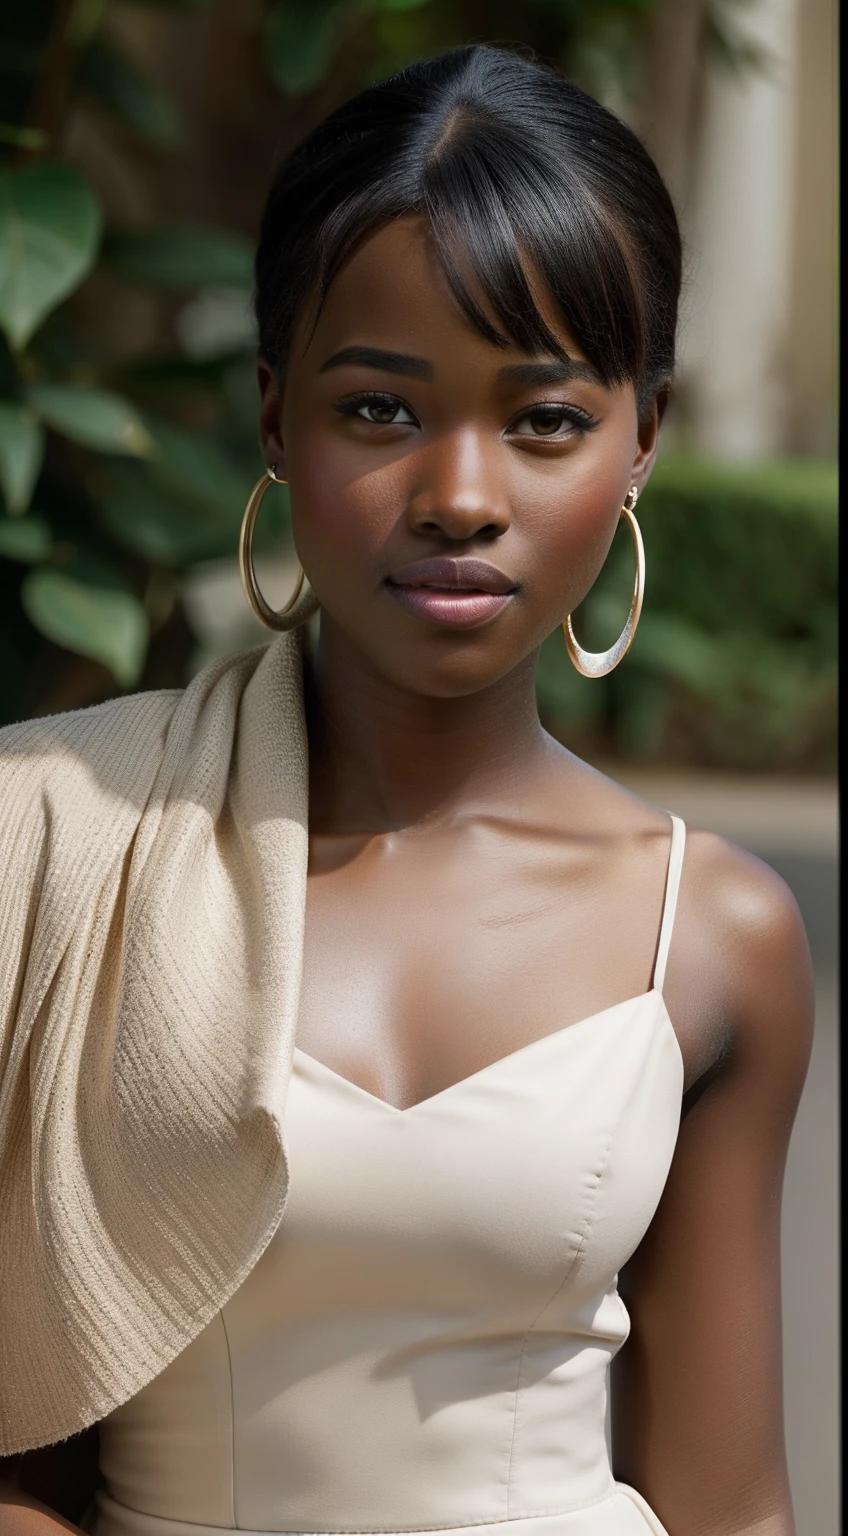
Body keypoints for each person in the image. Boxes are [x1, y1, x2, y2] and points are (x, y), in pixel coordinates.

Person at [0, 43, 813, 1536]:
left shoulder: (713, 939)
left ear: (645, 437)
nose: (460, 492)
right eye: (380, 409)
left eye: (547, 419)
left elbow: (729, 1504)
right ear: (271, 414)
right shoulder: (63, 845)